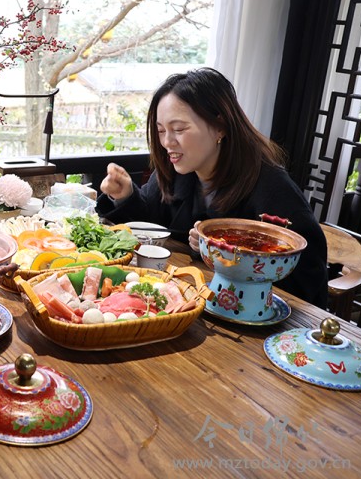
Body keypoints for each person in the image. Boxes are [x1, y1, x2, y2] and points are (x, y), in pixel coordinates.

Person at [96, 67, 328, 308]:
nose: (166, 142)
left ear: (220, 127)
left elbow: (306, 274)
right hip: (187, 298)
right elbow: (151, 223)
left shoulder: (272, 187)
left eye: (179, 129)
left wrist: (220, 253)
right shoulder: (177, 170)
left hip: (255, 313)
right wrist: (125, 196)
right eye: (161, 130)